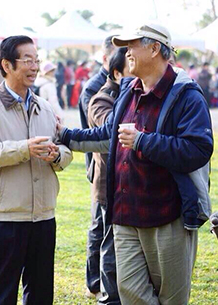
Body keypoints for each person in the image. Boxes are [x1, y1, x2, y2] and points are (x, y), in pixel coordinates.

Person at [57, 22, 213, 305]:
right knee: (130, 294)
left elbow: (198, 149)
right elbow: (109, 136)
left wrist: (143, 141)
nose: (126, 51)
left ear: (155, 49)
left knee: (171, 299)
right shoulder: (129, 90)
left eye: (133, 45)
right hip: (125, 216)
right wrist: (66, 136)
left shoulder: (187, 95)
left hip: (169, 216)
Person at [0, 35, 73, 305]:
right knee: (1, 293)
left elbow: (64, 148)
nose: (34, 66)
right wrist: (23, 149)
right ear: (7, 65)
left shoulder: (44, 108)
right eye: (27, 60)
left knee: (40, 294)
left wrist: (57, 154)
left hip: (43, 215)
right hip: (6, 216)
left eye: (36, 60)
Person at [87, 46, 132, 305]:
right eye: (130, 71)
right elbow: (111, 130)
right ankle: (109, 297)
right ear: (116, 73)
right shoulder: (101, 99)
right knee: (110, 244)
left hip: (126, 184)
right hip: (108, 185)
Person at [76, 35, 117, 298]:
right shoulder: (95, 89)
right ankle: (95, 281)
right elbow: (99, 131)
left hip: (107, 166)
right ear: (106, 59)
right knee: (98, 228)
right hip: (98, 165)